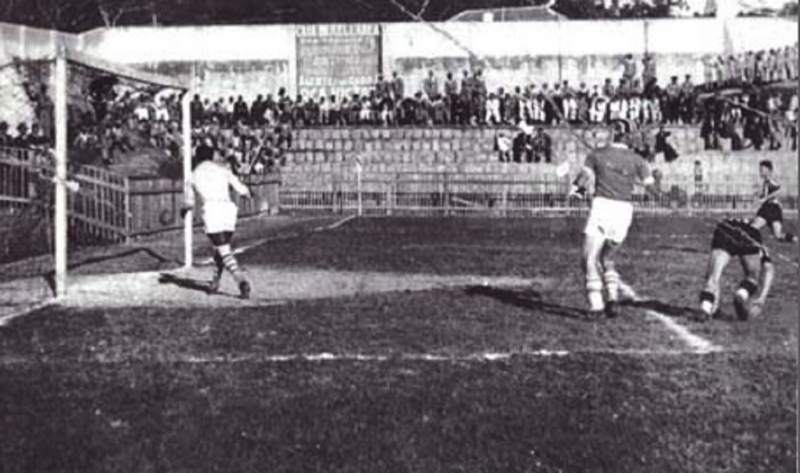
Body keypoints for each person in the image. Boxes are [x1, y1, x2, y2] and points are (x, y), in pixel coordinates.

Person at [570, 119, 655, 319]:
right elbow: (651, 188)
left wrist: (575, 191)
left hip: (603, 207)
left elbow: (583, 178)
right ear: (629, 136)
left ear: (613, 133)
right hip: (624, 211)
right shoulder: (638, 160)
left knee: (589, 258)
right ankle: (613, 298)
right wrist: (669, 198)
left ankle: (596, 305)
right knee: (607, 258)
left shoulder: (597, 155)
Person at [182, 140, 252, 299]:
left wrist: (184, 210)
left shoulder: (192, 176)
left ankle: (241, 280)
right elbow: (241, 188)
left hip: (212, 211)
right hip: (228, 211)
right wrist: (247, 193)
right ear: (211, 156)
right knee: (221, 249)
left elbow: (189, 203)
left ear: (197, 157)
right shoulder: (223, 170)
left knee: (224, 251)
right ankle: (215, 281)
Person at [698, 218, 775, 321]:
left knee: (713, 276)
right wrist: (762, 298)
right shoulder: (765, 218)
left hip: (726, 227)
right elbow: (769, 269)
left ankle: (706, 308)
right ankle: (741, 294)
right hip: (749, 231)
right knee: (753, 276)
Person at [751, 160, 797, 243]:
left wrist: (765, 198)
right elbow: (770, 191)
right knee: (754, 228)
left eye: (762, 169)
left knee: (777, 235)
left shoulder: (771, 180)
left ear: (768, 170)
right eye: (760, 169)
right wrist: (760, 195)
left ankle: (794, 239)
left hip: (772, 208)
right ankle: (753, 246)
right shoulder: (766, 181)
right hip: (769, 208)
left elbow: (779, 191)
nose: (760, 171)